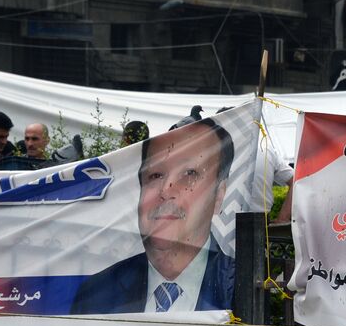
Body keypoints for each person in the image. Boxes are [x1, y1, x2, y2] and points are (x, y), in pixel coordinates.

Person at [70, 116, 236, 314]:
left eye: (189, 174)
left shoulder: (241, 288)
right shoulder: (96, 293)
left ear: (219, 196)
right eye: (155, 175)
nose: (166, 190)